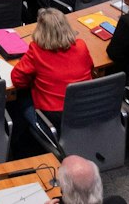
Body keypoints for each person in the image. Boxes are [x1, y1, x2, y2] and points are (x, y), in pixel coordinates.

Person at [11, 9, 97, 138]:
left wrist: (34, 82)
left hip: (53, 118)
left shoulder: (36, 50)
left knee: (17, 100)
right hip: (84, 110)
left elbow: (17, 79)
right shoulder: (81, 46)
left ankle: (22, 147)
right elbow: (91, 69)